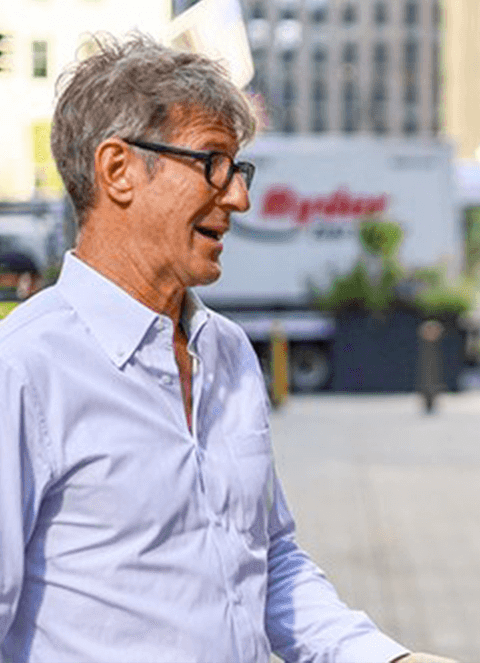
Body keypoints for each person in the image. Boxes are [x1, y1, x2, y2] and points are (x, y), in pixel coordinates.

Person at [0, 34, 455, 663]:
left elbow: (268, 567)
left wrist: (389, 659)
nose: (239, 197)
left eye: (239, 170)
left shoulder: (230, 352)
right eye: (213, 162)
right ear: (118, 170)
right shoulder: (22, 369)